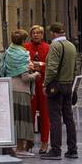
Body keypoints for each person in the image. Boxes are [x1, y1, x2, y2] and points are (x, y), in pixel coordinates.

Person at [40, 23, 79, 160]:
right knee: (69, 118)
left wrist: (45, 84)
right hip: (68, 85)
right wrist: (71, 81)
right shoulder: (71, 46)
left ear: (53, 33)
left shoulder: (55, 46)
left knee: (55, 118)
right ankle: (72, 149)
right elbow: (76, 67)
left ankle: (56, 150)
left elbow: (52, 68)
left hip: (56, 86)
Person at [0, 29, 39, 155]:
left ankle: (12, 146)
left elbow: (3, 70)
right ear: (23, 41)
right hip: (21, 91)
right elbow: (25, 77)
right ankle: (21, 148)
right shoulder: (23, 55)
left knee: (13, 119)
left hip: (9, 88)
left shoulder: (8, 52)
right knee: (22, 119)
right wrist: (36, 74)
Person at [25, 25, 52, 153]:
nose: (36, 35)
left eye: (38, 33)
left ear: (42, 35)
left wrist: (40, 65)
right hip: (30, 84)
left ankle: (44, 142)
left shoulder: (47, 48)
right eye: (34, 33)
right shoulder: (26, 47)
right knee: (29, 115)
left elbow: (51, 65)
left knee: (44, 115)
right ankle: (28, 141)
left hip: (43, 84)